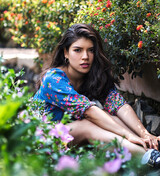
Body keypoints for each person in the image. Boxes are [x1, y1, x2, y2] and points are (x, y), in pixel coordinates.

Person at [34, 23, 160, 167]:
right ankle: (147, 158)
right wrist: (129, 135)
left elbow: (118, 105)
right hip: (41, 141)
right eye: (78, 50)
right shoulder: (53, 79)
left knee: (111, 117)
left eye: (91, 50)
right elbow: (89, 112)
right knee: (87, 124)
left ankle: (151, 147)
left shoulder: (92, 76)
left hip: (68, 136)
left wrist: (144, 134)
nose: (85, 56)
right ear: (65, 53)